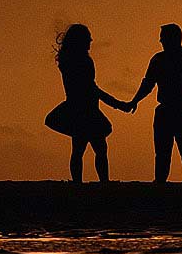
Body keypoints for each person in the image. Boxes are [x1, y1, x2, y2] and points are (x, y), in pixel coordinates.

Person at [44, 24, 133, 183]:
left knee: (79, 148)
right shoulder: (82, 61)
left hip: (76, 108)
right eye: (87, 38)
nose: (91, 41)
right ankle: (103, 183)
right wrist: (119, 104)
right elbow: (92, 89)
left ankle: (79, 183)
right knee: (98, 148)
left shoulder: (67, 61)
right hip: (87, 110)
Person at [125, 24, 182, 184]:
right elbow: (148, 84)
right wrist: (135, 100)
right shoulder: (172, 59)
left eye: (163, 37)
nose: (160, 40)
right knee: (167, 152)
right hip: (172, 111)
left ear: (172, 38)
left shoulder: (179, 59)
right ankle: (165, 184)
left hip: (178, 111)